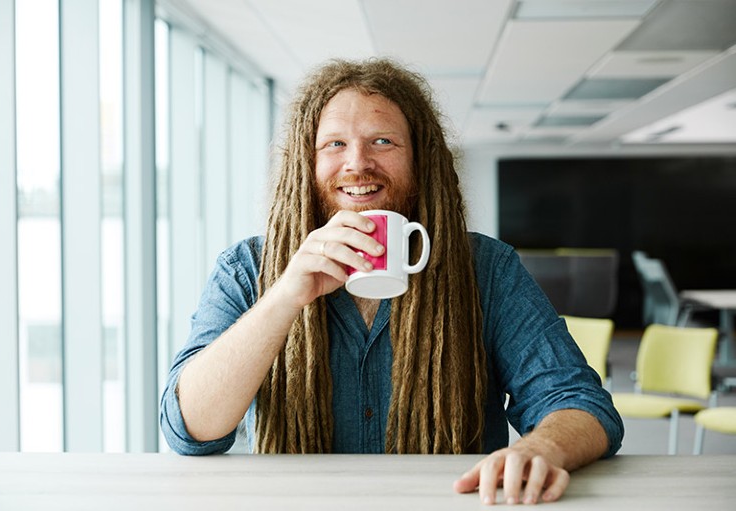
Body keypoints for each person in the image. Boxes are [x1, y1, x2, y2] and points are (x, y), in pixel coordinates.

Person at [160, 58, 623, 505]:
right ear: (307, 163)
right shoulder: (247, 268)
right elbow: (190, 430)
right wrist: (284, 297)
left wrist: (541, 448)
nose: (357, 163)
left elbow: (580, 400)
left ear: (420, 161)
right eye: (334, 144)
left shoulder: (487, 269)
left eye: (383, 141)